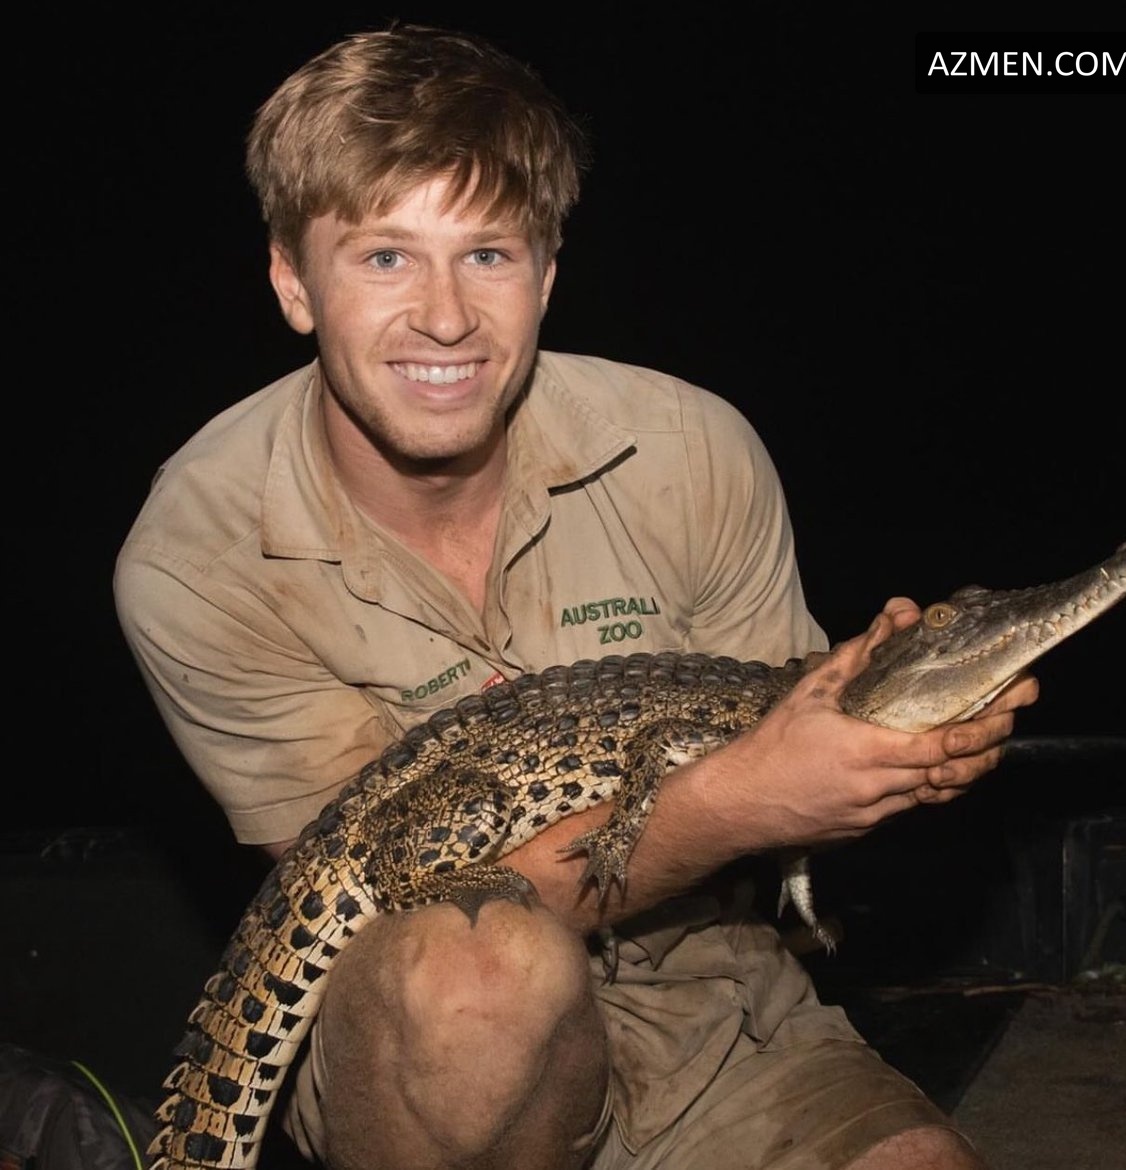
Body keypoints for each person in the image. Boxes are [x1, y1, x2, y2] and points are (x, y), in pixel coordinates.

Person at [113, 24, 1037, 1170]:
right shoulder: (199, 555)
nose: (445, 316)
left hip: (704, 979)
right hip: (430, 1011)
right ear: (293, 283)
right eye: (386, 257)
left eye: (488, 255)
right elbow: (376, 899)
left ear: (547, 275)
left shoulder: (691, 447)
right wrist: (742, 803)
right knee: (482, 974)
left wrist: (878, 758)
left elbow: (789, 731)